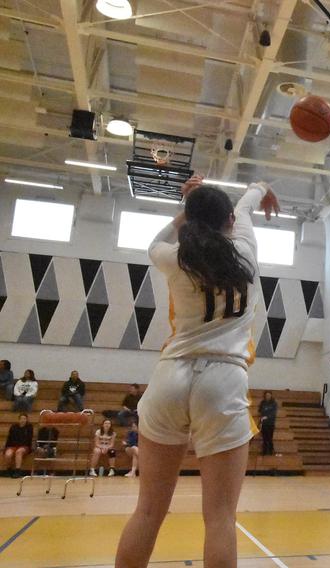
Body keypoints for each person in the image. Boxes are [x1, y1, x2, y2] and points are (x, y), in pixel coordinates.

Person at [114, 175, 280, 568]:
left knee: (148, 512)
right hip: (222, 380)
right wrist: (259, 186)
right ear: (228, 222)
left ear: (191, 221)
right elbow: (244, 207)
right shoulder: (246, 250)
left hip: (170, 377)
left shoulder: (174, 258)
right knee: (220, 519)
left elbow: (155, 243)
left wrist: (183, 212)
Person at [3, 414, 33, 478]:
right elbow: (9, 438)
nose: (23, 420)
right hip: (13, 446)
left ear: (26, 420)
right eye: (21, 419)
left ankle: (17, 470)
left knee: (18, 452)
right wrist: (6, 448)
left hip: (24, 446)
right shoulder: (13, 427)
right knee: (8, 454)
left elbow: (29, 439)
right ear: (19, 420)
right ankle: (9, 470)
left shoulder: (29, 427)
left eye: (24, 419)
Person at [258, 391, 278, 456]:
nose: (268, 396)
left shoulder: (274, 403)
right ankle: (264, 451)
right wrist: (262, 417)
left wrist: (267, 416)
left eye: (269, 395)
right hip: (264, 423)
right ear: (265, 396)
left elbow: (273, 413)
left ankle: (270, 451)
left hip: (271, 423)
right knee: (264, 438)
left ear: (271, 396)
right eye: (266, 395)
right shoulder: (262, 402)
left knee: (269, 438)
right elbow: (260, 411)